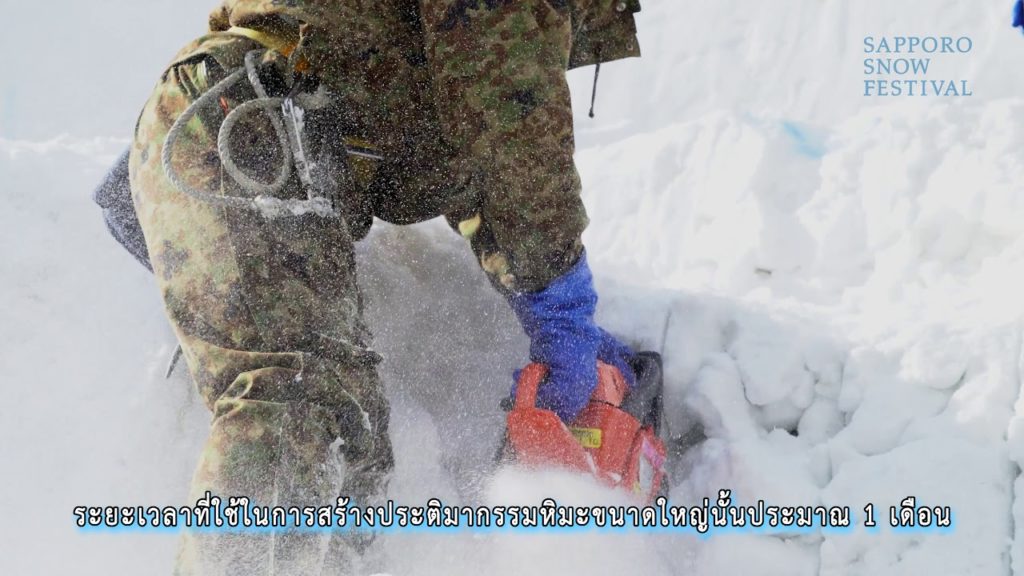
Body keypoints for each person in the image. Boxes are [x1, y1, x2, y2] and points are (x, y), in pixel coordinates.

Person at [127, 0, 641, 573]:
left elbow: (465, 144)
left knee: (351, 437)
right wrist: (556, 288)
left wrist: (545, 292)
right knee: (295, 401)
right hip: (250, 124)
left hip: (273, 126)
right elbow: (506, 109)